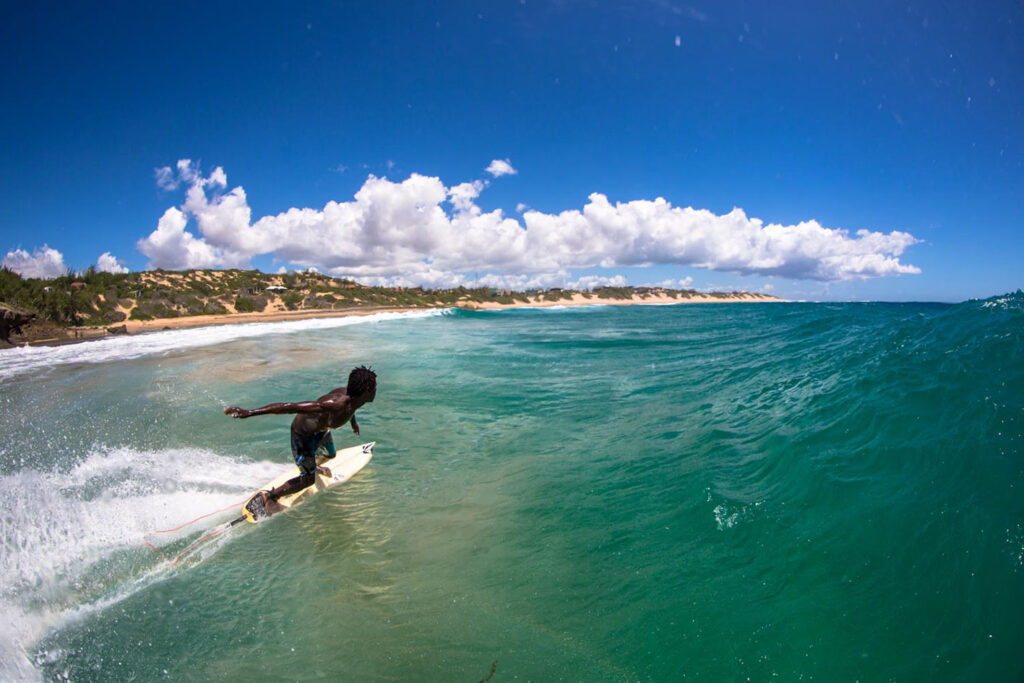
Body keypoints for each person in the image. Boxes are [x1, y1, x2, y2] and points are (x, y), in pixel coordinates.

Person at [224, 366, 377, 514]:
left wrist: (353, 423)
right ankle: (270, 496)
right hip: (303, 437)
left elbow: (351, 410)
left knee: (331, 455)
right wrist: (250, 412)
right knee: (308, 481)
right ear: (366, 391)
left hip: (322, 431)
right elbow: (289, 407)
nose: (376, 389)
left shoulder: (356, 400)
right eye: (374, 387)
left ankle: (313, 465)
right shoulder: (334, 404)